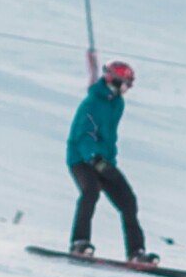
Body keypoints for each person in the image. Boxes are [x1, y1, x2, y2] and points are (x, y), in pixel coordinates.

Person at [65, 61, 157, 263]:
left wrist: (106, 162)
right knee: (90, 192)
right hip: (81, 158)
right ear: (114, 80)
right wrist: (93, 158)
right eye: (126, 84)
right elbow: (84, 134)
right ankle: (79, 242)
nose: (128, 88)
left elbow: (109, 137)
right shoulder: (92, 103)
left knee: (128, 201)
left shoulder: (117, 103)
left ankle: (136, 252)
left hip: (104, 161)